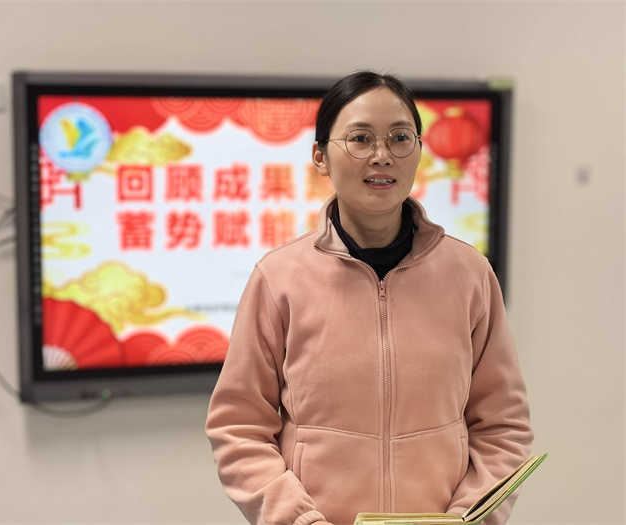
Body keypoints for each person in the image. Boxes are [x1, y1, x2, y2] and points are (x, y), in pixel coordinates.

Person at [205, 71, 533, 525]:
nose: (382, 156)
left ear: (418, 151)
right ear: (320, 157)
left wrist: (468, 518)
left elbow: (502, 426)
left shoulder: (470, 274)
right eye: (360, 139)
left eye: (400, 138)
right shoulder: (278, 279)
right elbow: (239, 427)